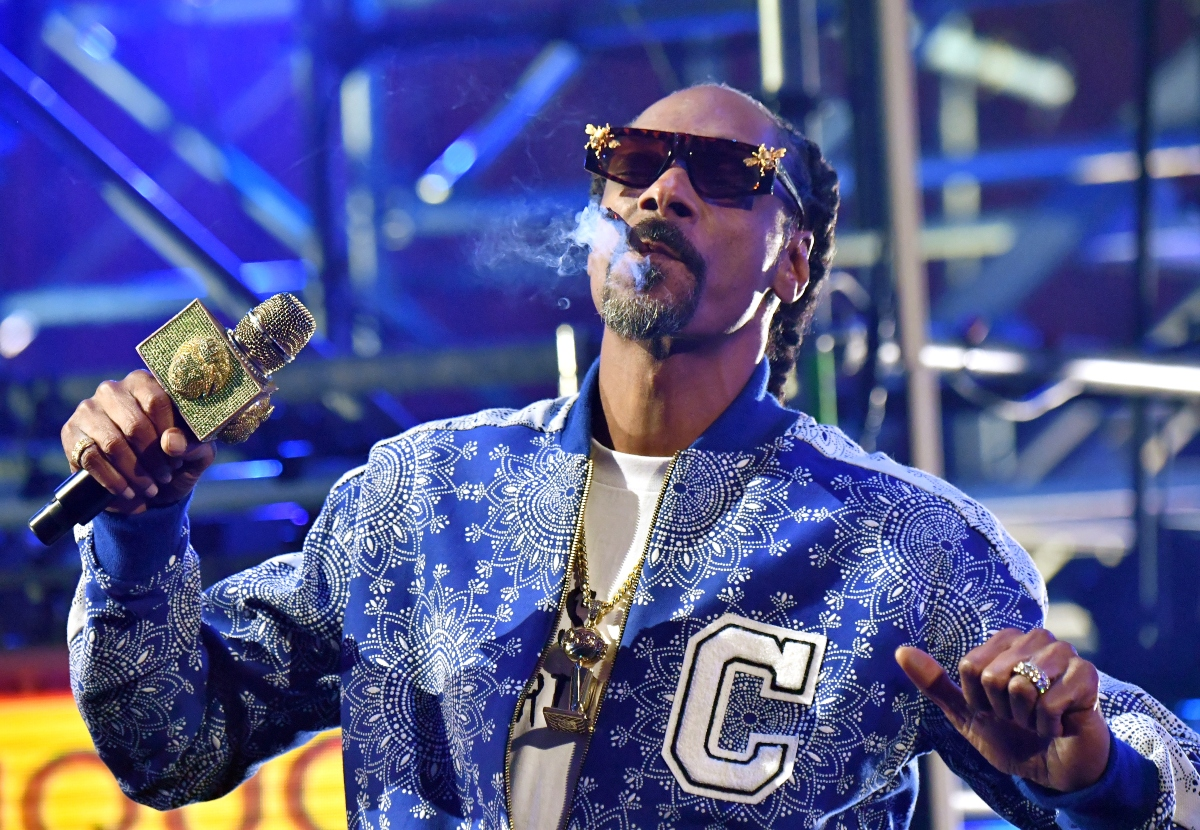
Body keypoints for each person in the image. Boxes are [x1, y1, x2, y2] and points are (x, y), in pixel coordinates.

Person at [63, 84, 1199, 830]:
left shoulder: (904, 544)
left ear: (794, 258)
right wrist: (140, 528)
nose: (664, 189)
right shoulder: (417, 496)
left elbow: (1166, 775)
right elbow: (170, 743)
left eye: (723, 174)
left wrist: (1096, 775)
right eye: (638, 161)